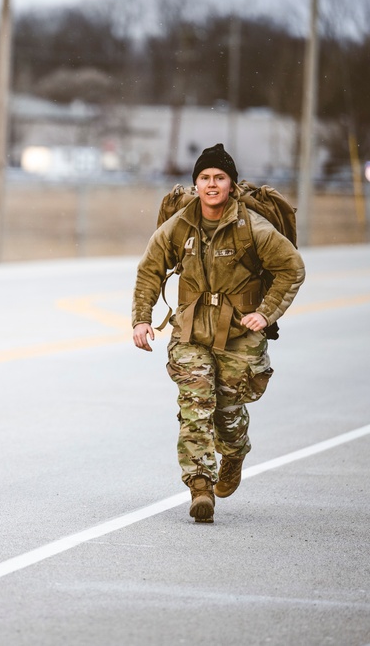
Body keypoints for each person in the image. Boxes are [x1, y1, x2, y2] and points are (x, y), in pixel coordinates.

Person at [131, 143, 305, 524]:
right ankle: (200, 487)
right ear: (195, 184)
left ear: (231, 184)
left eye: (219, 178)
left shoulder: (253, 228)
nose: (211, 185)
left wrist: (265, 313)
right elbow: (150, 270)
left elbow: (292, 269)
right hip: (191, 329)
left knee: (227, 412)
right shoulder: (178, 226)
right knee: (195, 405)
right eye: (204, 178)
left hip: (240, 333)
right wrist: (141, 319)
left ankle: (235, 453)